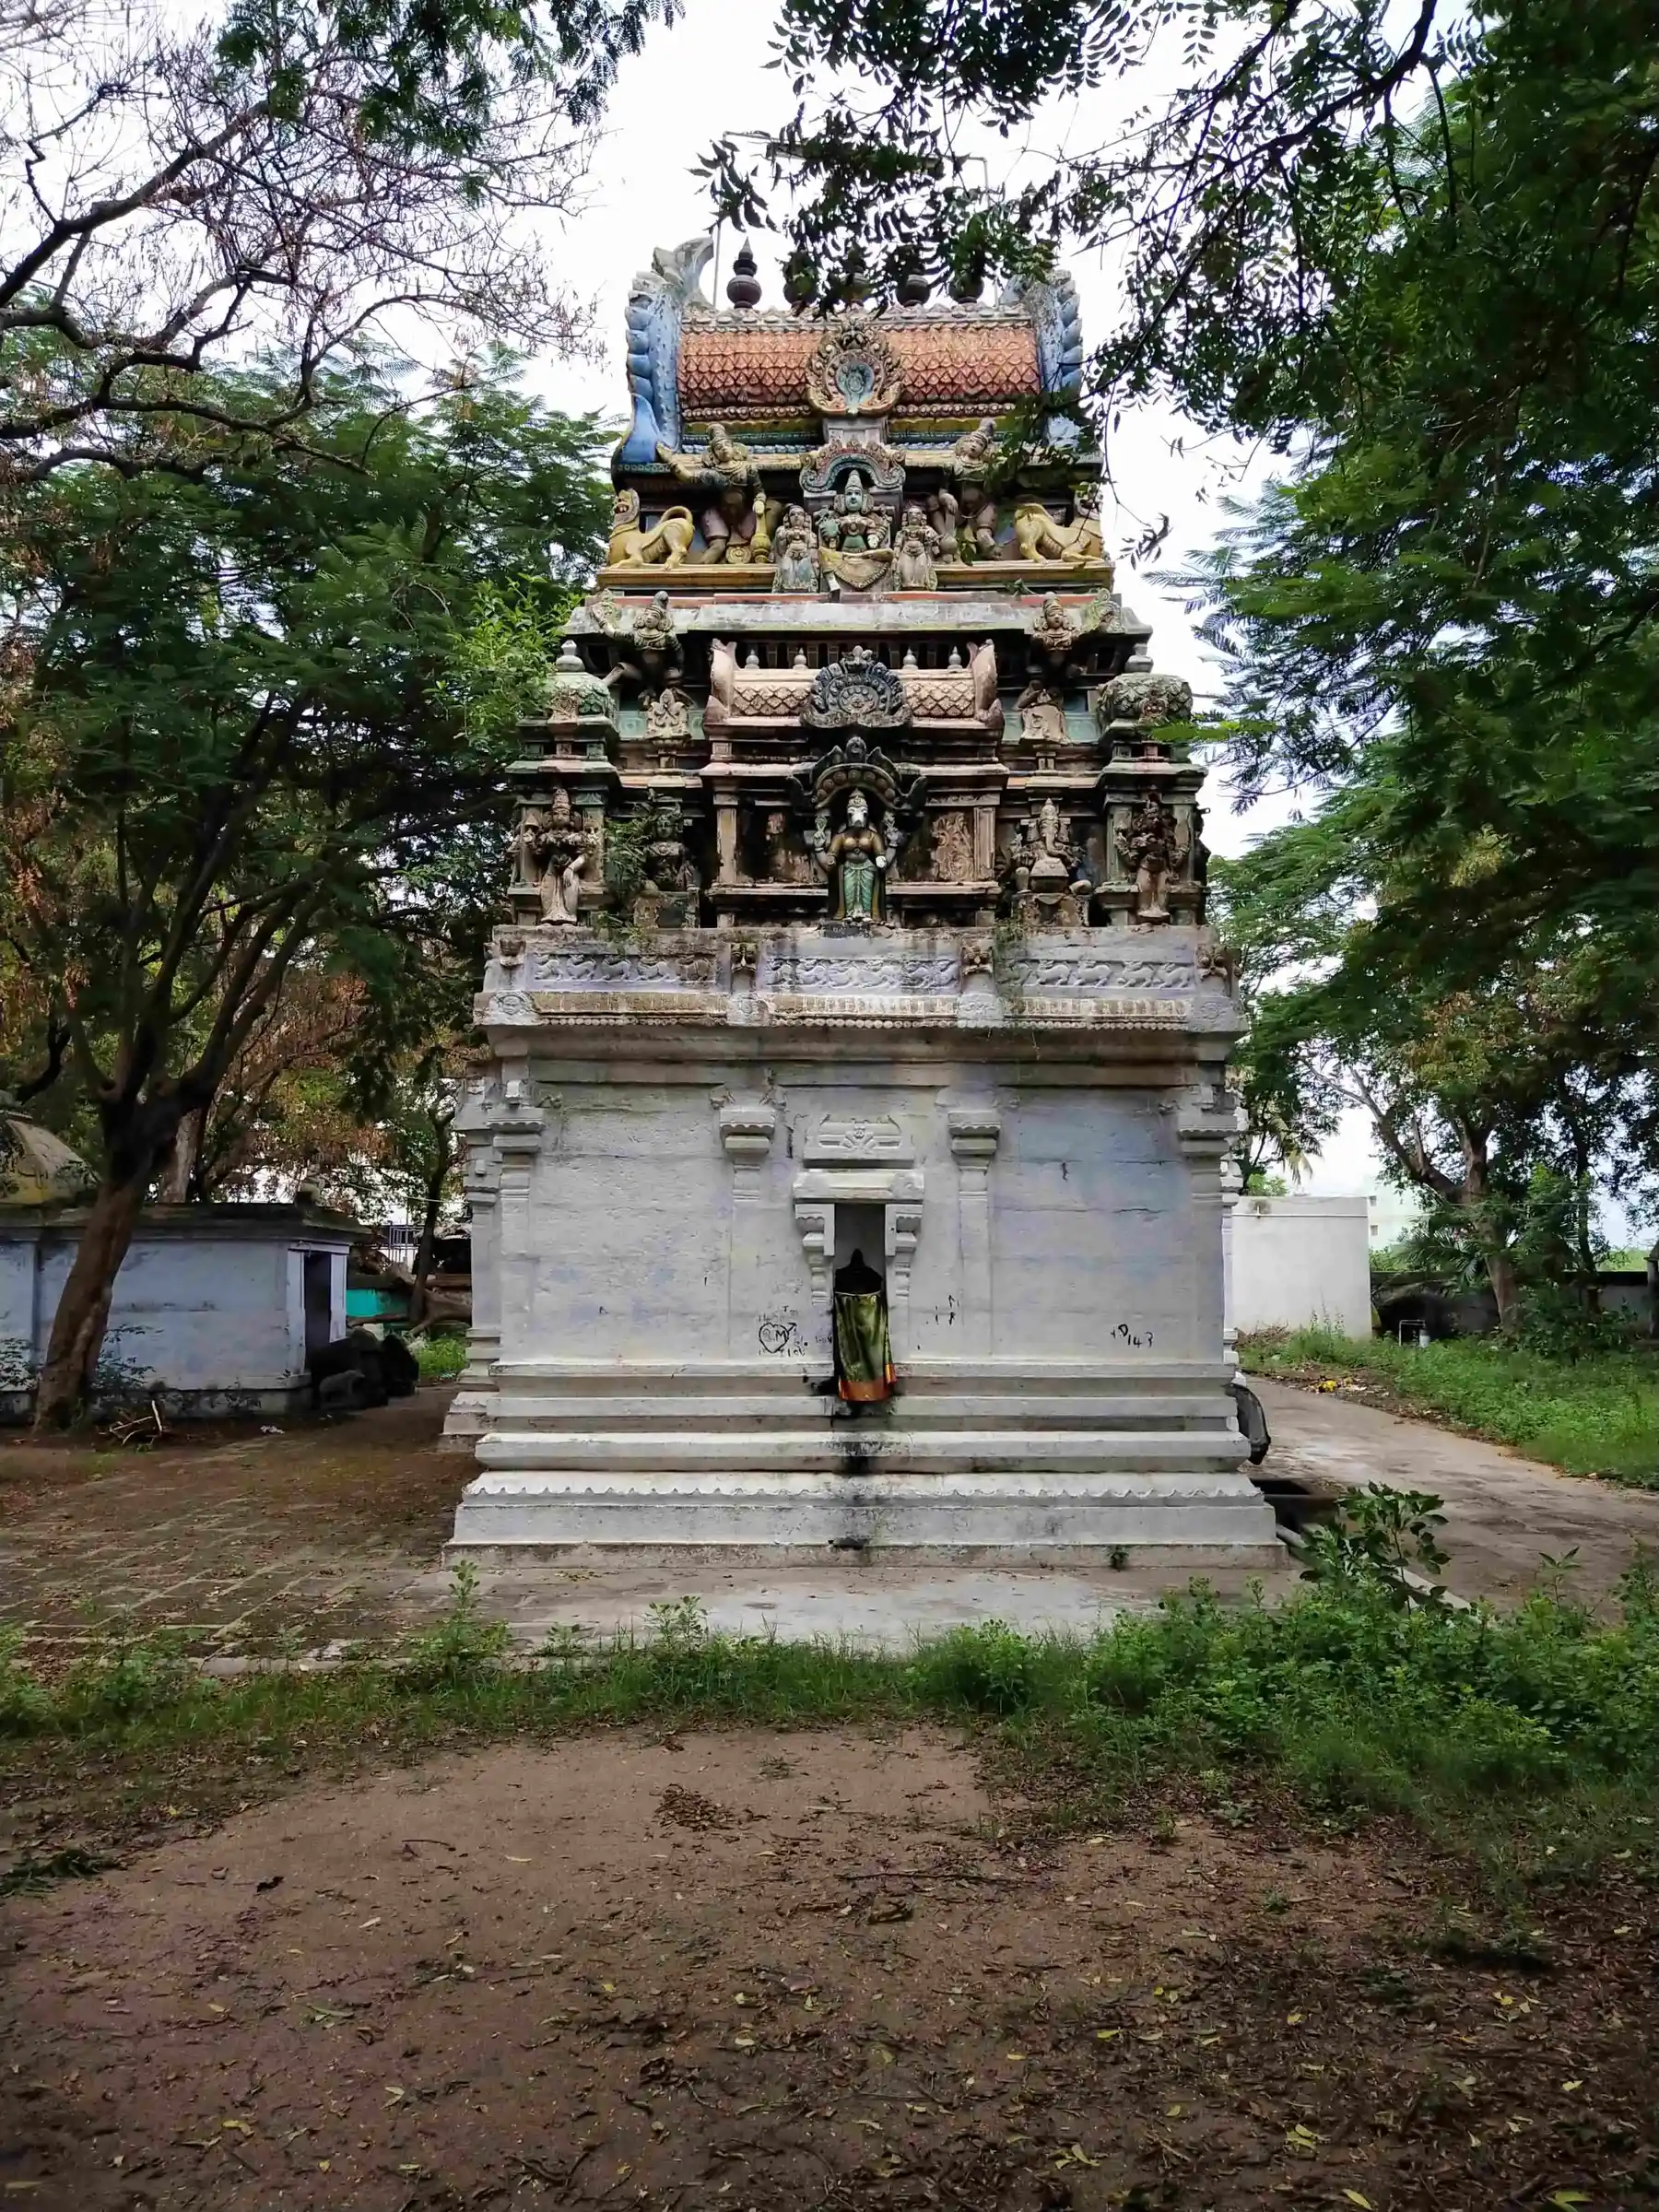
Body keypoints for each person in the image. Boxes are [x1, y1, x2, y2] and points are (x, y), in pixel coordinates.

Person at [833, 1248, 894, 1404]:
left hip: (850, 1322)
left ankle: (855, 1390)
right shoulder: (873, 1277)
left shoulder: (842, 1276)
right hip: (869, 1323)